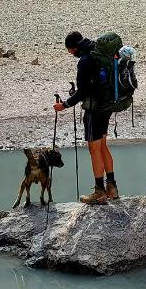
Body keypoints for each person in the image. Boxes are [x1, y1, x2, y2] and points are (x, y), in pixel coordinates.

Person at [54, 32, 118, 205]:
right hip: (107, 106)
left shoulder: (84, 61)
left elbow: (83, 92)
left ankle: (99, 192)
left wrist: (65, 105)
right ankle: (112, 188)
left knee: (94, 149)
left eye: (70, 51)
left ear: (74, 47)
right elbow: (93, 85)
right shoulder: (99, 53)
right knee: (103, 145)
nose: (71, 54)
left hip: (94, 110)